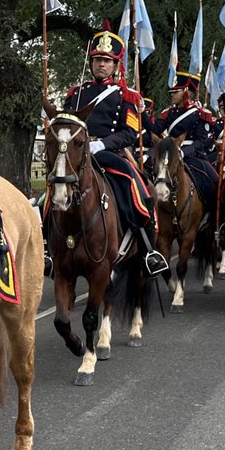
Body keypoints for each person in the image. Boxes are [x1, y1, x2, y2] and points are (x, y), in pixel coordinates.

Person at [51, 24, 169, 278]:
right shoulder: (76, 93)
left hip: (109, 152)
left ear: (116, 65)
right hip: (77, 152)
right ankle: (49, 249)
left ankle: (148, 250)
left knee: (136, 187)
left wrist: (101, 144)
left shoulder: (127, 96)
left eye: (106, 60)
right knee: (53, 185)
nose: (100, 65)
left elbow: (131, 133)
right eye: (96, 60)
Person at [148, 70, 219, 208]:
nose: (172, 94)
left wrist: (183, 152)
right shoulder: (168, 113)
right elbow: (154, 129)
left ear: (187, 92)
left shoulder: (200, 114)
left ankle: (211, 215)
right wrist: (141, 114)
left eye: (176, 91)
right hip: (169, 154)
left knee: (214, 181)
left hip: (192, 155)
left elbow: (201, 141)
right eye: (171, 92)